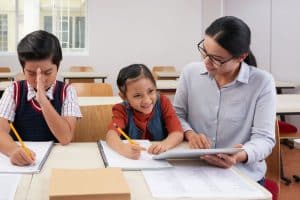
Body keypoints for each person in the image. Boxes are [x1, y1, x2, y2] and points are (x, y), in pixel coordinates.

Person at [173, 16, 276, 184]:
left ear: (241, 57)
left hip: (242, 174)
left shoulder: (262, 82)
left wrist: (240, 155)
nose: (206, 61)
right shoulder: (190, 73)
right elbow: (177, 114)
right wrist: (190, 134)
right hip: (193, 168)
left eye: (217, 59)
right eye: (204, 51)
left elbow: (264, 139)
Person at [0, 30, 82, 166]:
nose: (40, 80)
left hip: (58, 161)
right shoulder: (13, 90)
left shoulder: (67, 91)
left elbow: (65, 137)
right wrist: (13, 150)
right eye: (31, 73)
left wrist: (43, 100)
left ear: (58, 66)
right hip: (26, 162)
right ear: (22, 69)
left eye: (48, 72)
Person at [106, 64, 183, 159]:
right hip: (133, 163)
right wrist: (122, 148)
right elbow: (111, 134)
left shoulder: (163, 102)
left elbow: (177, 133)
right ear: (124, 97)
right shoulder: (121, 109)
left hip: (160, 161)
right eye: (137, 95)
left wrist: (164, 145)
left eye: (150, 91)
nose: (147, 100)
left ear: (155, 87)